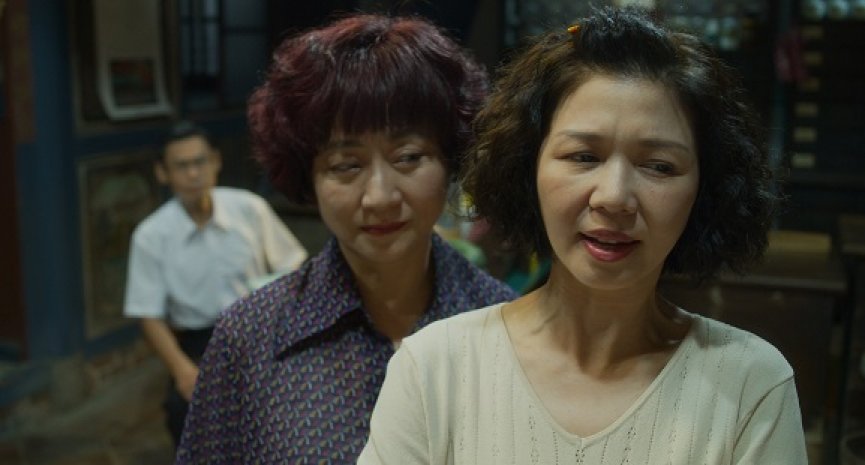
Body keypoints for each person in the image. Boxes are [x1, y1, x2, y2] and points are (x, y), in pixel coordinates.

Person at [359, 6, 808, 464]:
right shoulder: (435, 369)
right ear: (527, 166)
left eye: (659, 166)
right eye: (583, 157)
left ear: (705, 188)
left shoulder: (750, 386)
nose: (614, 197)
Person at [176, 14, 518, 464]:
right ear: (310, 177)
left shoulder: (511, 329)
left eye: (408, 157)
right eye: (346, 165)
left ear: (450, 161)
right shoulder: (249, 338)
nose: (379, 196)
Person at [123, 120, 308, 448]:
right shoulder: (151, 236)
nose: (194, 174)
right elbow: (148, 316)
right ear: (163, 173)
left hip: (262, 330)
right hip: (201, 344)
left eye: (200, 162)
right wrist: (183, 371)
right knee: (185, 413)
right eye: (182, 166)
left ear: (216, 162)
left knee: (295, 406)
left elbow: (293, 265)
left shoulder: (249, 208)